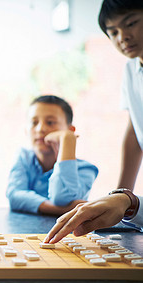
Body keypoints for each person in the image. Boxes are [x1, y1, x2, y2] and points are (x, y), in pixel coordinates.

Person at [45, 0, 143, 244]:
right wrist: (120, 197)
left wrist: (126, 202)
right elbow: (134, 133)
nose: (124, 36)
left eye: (131, 23)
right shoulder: (131, 70)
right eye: (113, 32)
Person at [6, 95, 99, 216]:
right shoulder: (24, 158)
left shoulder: (86, 169)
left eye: (50, 123)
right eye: (34, 123)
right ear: (26, 130)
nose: (40, 129)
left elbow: (63, 198)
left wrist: (67, 139)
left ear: (70, 130)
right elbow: (15, 195)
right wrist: (59, 210)